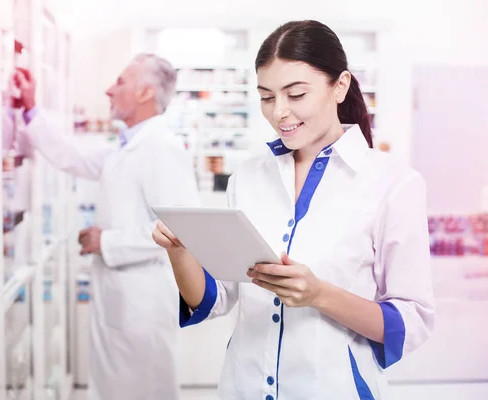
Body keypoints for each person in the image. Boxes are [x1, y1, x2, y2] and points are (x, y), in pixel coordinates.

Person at [153, 20, 434, 400]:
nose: (279, 113)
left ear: (340, 86)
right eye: (267, 97)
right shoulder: (248, 178)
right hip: (242, 387)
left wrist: (319, 294)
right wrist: (179, 251)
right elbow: (216, 298)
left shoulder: (392, 184)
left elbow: (411, 321)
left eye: (296, 94)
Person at [12, 54, 199, 400]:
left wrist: (106, 240)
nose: (109, 90)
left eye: (120, 82)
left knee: (143, 388)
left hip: (142, 304)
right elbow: (73, 156)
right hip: (120, 298)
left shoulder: (162, 148)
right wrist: (31, 109)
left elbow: (181, 231)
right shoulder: (127, 145)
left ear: (144, 93)